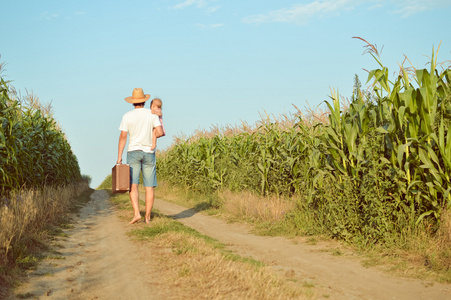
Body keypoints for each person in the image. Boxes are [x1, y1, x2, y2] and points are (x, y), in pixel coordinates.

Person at [117, 88, 164, 224]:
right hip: (149, 152)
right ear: (144, 101)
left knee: (133, 185)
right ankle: (147, 217)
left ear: (133, 102)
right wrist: (152, 137)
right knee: (149, 187)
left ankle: (137, 213)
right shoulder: (152, 115)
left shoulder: (127, 116)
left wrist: (119, 156)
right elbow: (160, 132)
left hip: (133, 152)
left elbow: (123, 137)